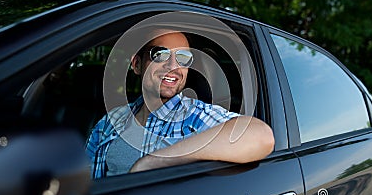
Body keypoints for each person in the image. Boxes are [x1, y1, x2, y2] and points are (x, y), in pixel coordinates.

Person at [86, 31, 274, 179]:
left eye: (183, 58)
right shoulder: (112, 120)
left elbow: (261, 136)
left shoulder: (194, 116)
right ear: (136, 64)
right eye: (159, 54)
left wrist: (153, 162)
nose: (173, 66)